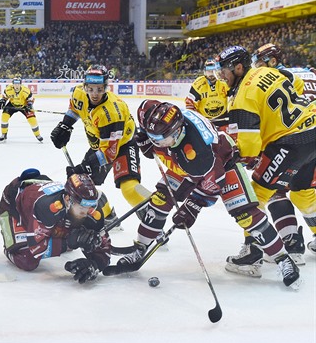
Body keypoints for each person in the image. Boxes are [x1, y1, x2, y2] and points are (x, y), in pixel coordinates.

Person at [118, 100, 301, 288]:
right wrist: (145, 139)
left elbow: (212, 182)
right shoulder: (159, 115)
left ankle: (283, 259)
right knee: (160, 200)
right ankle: (140, 248)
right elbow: (150, 124)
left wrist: (191, 207)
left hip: (222, 165)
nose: (158, 142)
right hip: (185, 165)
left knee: (246, 215)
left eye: (159, 138)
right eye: (153, 136)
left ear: (177, 130)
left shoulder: (197, 151)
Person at [215, 45, 316, 267]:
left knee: (255, 196)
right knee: (303, 193)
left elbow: (249, 148)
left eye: (224, 70)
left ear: (239, 68)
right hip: (312, 130)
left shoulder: (243, 96)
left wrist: (234, 156)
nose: (221, 76)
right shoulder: (267, 71)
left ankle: (253, 255)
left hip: (290, 143)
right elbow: (295, 82)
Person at [50, 64, 151, 216]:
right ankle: (108, 214)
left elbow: (109, 154)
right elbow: (75, 108)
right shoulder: (79, 93)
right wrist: (65, 125)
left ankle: (152, 217)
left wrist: (84, 166)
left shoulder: (110, 112)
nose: (95, 94)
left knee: (128, 186)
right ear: (84, 87)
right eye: (90, 89)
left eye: (99, 89)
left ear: (106, 87)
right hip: (101, 144)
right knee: (85, 185)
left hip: (124, 143)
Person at [248, 42, 315, 264]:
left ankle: (290, 244)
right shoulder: (304, 75)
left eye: (259, 63)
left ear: (272, 61)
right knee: (303, 193)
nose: (256, 68)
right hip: (311, 138)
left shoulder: (274, 80)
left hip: (293, 142)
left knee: (274, 191)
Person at [0, 170, 114, 284]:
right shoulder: (47, 208)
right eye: (82, 205)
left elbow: (104, 247)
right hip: (14, 205)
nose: (87, 211)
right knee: (27, 260)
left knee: (78, 234)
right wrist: (70, 242)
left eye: (91, 204)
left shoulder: (92, 211)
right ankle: (11, 248)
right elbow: (36, 249)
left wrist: (95, 264)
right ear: (68, 199)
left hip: (48, 202)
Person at [184, 58, 232, 138]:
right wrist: (196, 121)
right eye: (209, 72)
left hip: (223, 120)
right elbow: (189, 103)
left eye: (213, 71)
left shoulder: (224, 82)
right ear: (205, 72)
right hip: (205, 122)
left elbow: (233, 98)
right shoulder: (198, 84)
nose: (211, 75)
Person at [0, 77, 43, 143]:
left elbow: (30, 99)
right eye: (15, 84)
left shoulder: (25, 90)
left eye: (18, 84)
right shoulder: (8, 89)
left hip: (24, 105)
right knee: (4, 117)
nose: (17, 85)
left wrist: (29, 104)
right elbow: (5, 97)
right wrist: (2, 101)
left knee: (32, 120)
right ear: (12, 84)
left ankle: (38, 135)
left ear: (21, 84)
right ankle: (4, 134)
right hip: (12, 104)